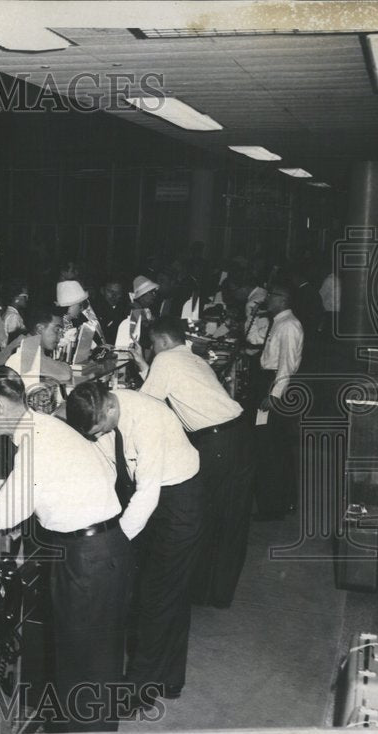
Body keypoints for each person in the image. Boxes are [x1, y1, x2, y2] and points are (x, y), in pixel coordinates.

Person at [0, 366, 126, 732]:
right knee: (96, 659)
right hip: (105, 546)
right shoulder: (46, 427)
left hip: (87, 557)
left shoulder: (35, 444)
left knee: (82, 662)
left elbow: (8, 513)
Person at [65, 381, 201, 708]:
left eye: (99, 429)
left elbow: (148, 492)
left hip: (178, 498)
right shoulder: (105, 410)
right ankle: (168, 679)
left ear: (109, 409)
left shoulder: (147, 419)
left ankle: (138, 694)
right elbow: (104, 459)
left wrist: (116, 542)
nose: (97, 435)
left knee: (158, 596)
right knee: (165, 592)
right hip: (152, 496)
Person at [131, 317, 253, 608]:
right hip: (238, 435)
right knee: (230, 517)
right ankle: (216, 593)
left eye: (151, 346)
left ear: (160, 342)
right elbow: (176, 392)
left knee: (201, 512)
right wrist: (142, 366)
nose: (151, 351)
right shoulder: (193, 359)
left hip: (219, 443)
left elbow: (145, 405)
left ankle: (197, 591)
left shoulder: (165, 361)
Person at [254, 281, 304, 520]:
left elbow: (287, 365)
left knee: (271, 449)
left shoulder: (289, 326)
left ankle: (274, 506)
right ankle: (281, 500)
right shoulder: (279, 323)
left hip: (275, 386)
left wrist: (273, 395)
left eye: (272, 295)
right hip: (270, 381)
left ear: (283, 299)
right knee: (274, 448)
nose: (267, 299)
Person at [0, 303, 73, 382]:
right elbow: (65, 374)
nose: (61, 336)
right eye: (57, 330)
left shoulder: (22, 340)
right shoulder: (27, 348)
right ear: (40, 328)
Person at [114, 275, 159, 349]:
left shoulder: (144, 310)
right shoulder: (134, 310)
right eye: (151, 293)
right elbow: (140, 339)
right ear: (142, 295)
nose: (154, 295)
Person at [91, 278, 130, 342]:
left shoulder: (125, 310)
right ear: (102, 291)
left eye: (118, 293)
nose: (114, 296)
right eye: (110, 291)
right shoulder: (94, 310)